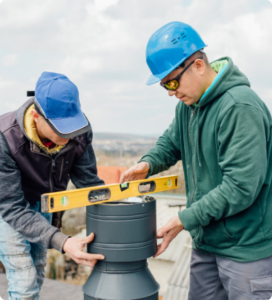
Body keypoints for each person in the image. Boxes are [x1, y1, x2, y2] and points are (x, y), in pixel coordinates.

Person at [120, 22, 272, 299]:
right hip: (207, 245)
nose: (170, 91)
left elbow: (240, 186)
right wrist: (148, 163)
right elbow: (171, 142)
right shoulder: (189, 106)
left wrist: (184, 219)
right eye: (164, 85)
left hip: (246, 252)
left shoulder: (239, 107)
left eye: (172, 81)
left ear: (199, 65)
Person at [0, 72, 105, 299]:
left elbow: (88, 181)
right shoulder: (5, 138)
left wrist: (122, 208)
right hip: (10, 209)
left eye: (73, 128)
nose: (69, 136)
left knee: (36, 275)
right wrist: (63, 242)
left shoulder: (80, 131)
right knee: (24, 283)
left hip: (44, 204)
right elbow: (11, 206)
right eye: (60, 128)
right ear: (36, 116)